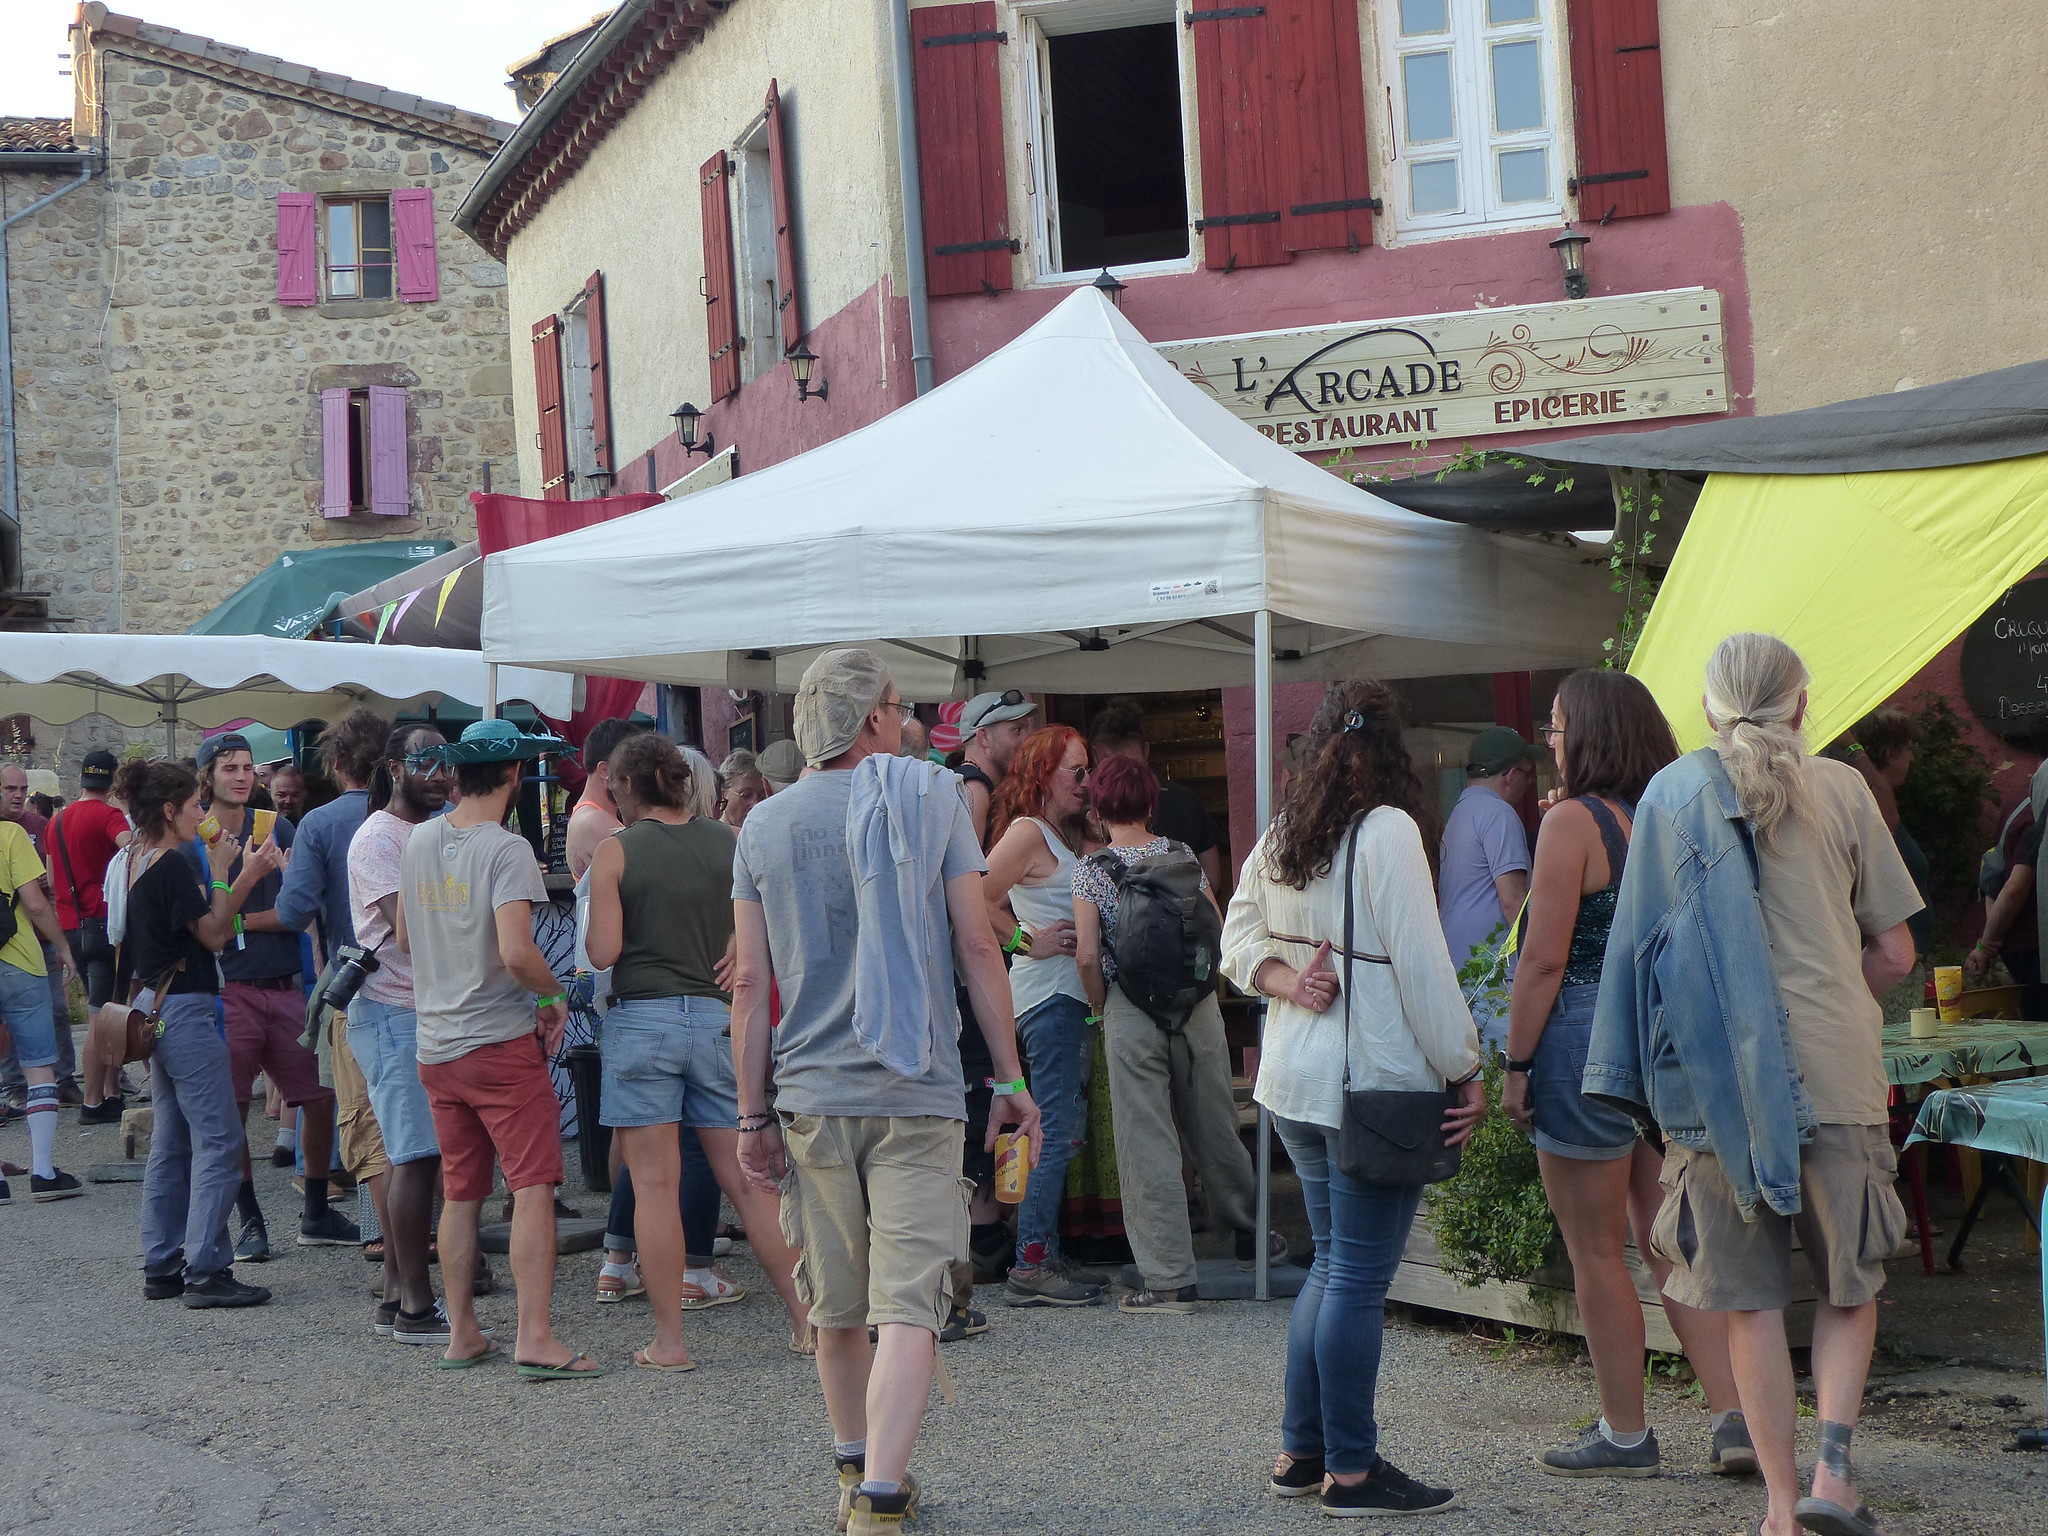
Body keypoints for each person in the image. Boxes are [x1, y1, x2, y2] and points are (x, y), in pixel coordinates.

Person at [1588, 634, 1921, 1536]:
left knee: (1750, 1302)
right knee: (1851, 1287)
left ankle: (1778, 1510)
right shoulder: (1848, 789)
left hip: (1719, 1086)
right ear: (1803, 708)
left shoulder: (1669, 797)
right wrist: (1839, 997)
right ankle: (1833, 1473)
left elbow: (1642, 956)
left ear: (1708, 712)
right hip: (1838, 1072)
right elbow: (1895, 951)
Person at [731, 649, 1041, 1534]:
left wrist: (751, 1113)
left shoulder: (763, 825)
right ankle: (881, 1496)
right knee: (911, 1304)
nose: (907, 723)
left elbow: (751, 988)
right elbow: (979, 947)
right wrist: (1010, 1078)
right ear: (870, 719)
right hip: (919, 1087)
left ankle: (852, 1468)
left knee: (837, 1304)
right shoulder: (930, 798)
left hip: (813, 1094)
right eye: (900, 707)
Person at [1220, 681, 1484, 1518]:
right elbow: (1423, 964)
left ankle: (1304, 1453)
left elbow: (1234, 937)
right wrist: (1464, 1064)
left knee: (1333, 1268)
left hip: (1295, 1083)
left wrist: (1286, 982)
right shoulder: (1390, 830)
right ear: (1395, 752)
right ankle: (1353, 1470)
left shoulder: (1290, 832)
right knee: (1357, 1279)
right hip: (1369, 1084)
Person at [1496, 671, 1747, 1477]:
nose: (1551, 740)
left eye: (1559, 726)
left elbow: (1542, 961)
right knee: (1666, 1235)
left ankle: (1626, 1433)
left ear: (1592, 733)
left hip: (1580, 1038)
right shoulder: (1671, 812)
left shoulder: (1572, 821)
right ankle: (1735, 1414)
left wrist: (1514, 1064)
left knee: (1596, 1248)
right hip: (1664, 1041)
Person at [584, 731, 809, 1365]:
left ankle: (669, 1341)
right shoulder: (726, 842)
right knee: (748, 1179)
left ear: (625, 787)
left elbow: (601, 953)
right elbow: (757, 931)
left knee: (655, 1186)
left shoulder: (614, 852)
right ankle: (806, 1320)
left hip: (641, 1023)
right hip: (715, 1020)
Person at [396, 719, 601, 1377]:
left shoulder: (420, 840)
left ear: (457, 774)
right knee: (535, 1184)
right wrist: (552, 996)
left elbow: (402, 936)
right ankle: (535, 1337)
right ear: (516, 774)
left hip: (436, 1043)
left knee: (462, 1191)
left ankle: (462, 1333)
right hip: (498, 1041)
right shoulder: (506, 849)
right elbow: (518, 952)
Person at [1075, 752, 1270, 1314]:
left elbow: (1088, 956)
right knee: (1215, 1122)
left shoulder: (1091, 870)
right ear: (1151, 803)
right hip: (1198, 1007)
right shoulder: (1181, 854)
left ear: (1099, 806)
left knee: (1147, 1140)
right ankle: (1253, 1237)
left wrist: (1099, 1007)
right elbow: (1217, 924)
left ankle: (1167, 1278)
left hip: (1130, 1010)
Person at [117, 758, 283, 1307]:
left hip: (156, 1005)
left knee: (172, 1140)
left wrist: (228, 875)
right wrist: (234, 873)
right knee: (219, 1138)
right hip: (186, 1007)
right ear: (170, 810)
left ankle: (161, 1261)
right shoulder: (173, 863)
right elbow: (214, 933)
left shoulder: (137, 857)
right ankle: (206, 1267)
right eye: (194, 806)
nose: (202, 815)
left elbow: (208, 926)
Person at [192, 732, 357, 1259]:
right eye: (229, 768)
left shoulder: (275, 826)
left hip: (284, 986)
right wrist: (254, 914)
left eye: (247, 768)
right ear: (208, 778)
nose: (242, 776)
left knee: (319, 1095)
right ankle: (250, 1220)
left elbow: (300, 905)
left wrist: (246, 916)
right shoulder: (199, 837)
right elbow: (205, 923)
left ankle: (314, 1209)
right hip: (230, 990)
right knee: (233, 1108)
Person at [349, 723, 465, 1343]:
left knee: (423, 1156)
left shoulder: (436, 832)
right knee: (413, 1157)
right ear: (395, 768)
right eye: (425, 761)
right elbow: (410, 934)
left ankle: (399, 1294)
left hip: (431, 1010)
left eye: (445, 761)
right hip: (392, 1011)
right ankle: (417, 1306)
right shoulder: (378, 838)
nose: (440, 772)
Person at [983, 725, 1105, 1307]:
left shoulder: (1059, 834)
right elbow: (976, 897)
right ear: (1043, 775)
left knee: (1059, 1128)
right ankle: (1032, 1260)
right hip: (1049, 998)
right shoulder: (1029, 833)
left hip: (1063, 999)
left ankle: (1040, 1249)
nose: (1085, 782)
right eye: (1075, 772)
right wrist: (1024, 941)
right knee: (1053, 1130)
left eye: (1088, 771)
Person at [0, 792, 84, 1203]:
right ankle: (44, 1172)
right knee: (39, 1070)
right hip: (20, 964)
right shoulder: (11, 835)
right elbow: (34, 902)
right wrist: (63, 947)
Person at [1437, 726, 1539, 1051]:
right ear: (1510, 774)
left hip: (1460, 972)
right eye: (1528, 773)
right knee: (1506, 1079)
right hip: (1494, 977)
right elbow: (1514, 902)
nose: (1530, 783)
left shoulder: (1459, 812)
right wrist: (1539, 963)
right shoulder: (1498, 813)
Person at [48, 751, 132, 1122]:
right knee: (102, 1016)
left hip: (71, 923)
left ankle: (111, 1093)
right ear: (112, 782)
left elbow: (51, 881)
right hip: (106, 925)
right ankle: (93, 1101)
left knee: (109, 1011)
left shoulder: (57, 821)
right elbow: (131, 847)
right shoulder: (110, 815)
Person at [0, 762, 81, 1109]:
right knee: (33, 1050)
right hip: (21, 949)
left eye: (23, 789)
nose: (19, 795)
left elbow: (56, 876)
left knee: (57, 1012)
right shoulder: (13, 834)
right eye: (10, 789)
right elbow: (34, 902)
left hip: (37, 943)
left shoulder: (38, 826)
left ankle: (65, 1079)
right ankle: (17, 1087)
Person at [1089, 700, 1226, 893]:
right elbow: (1213, 880)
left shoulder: (1089, 863)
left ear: (1096, 755)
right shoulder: (1185, 802)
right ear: (1145, 750)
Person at [566, 717, 650, 881]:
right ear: (604, 770)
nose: (637, 777)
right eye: (632, 767)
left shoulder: (589, 814)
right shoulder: (594, 821)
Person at [953, 690, 1038, 845]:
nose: (1027, 740)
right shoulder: (974, 787)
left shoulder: (980, 784)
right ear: (984, 737)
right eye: (1017, 730)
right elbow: (969, 867)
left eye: (1026, 729)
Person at [717, 748, 772, 830]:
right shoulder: (713, 837)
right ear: (723, 794)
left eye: (762, 797)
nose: (755, 804)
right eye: (746, 795)